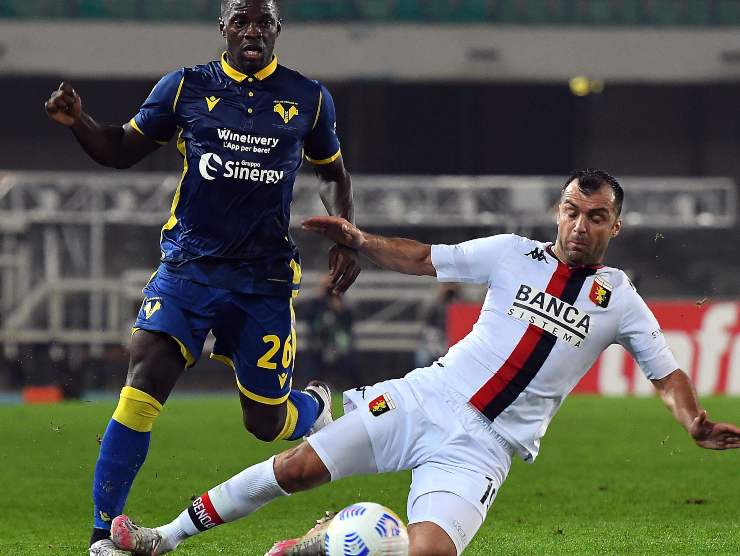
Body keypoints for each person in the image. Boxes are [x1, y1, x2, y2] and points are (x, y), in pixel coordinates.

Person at [108, 170, 740, 556]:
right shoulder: (511, 254)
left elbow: (665, 369)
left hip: (485, 449)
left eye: (595, 217)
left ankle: (324, 544)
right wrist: (360, 240)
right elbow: (424, 258)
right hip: (426, 399)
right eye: (572, 211)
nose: (580, 225)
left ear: (615, 227)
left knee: (430, 551)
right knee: (296, 469)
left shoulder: (620, 298)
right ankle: (162, 537)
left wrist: (691, 420)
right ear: (559, 211)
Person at [44, 1, 360, 554]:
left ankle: (311, 408)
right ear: (224, 28)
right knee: (143, 381)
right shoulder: (184, 88)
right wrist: (80, 124)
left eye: (263, 22)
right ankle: (104, 536)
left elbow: (332, 172)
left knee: (264, 422)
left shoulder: (308, 98)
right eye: (241, 21)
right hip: (187, 268)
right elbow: (120, 148)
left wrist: (344, 230)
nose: (252, 31)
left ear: (277, 29)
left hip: (262, 280)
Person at [301, 274, 355, 387]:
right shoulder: (316, 303)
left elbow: (349, 323)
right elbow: (307, 317)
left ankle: (347, 390)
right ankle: (311, 390)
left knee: (348, 368)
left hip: (337, 345)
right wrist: (319, 297)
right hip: (317, 344)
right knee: (312, 370)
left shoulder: (341, 302)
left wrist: (340, 309)